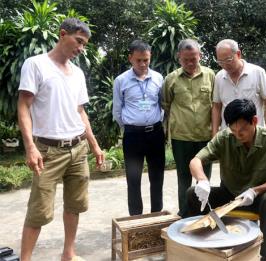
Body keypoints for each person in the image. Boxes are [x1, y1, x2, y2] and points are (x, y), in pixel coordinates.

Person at [17, 18, 104, 261]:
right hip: (48, 151)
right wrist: (30, 147)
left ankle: (69, 253)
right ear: (62, 34)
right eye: (78, 41)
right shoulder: (36, 65)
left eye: (84, 44)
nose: (81, 48)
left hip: (78, 148)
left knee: (75, 205)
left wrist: (95, 146)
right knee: (38, 211)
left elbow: (80, 112)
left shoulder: (77, 73)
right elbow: (24, 106)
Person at [187, 99, 266, 261]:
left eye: (242, 129)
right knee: (192, 193)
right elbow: (196, 160)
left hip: (257, 198)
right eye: (233, 130)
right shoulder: (224, 138)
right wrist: (202, 180)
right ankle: (200, 248)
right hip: (229, 196)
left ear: (254, 121)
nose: (238, 135)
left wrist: (256, 191)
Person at [162, 39, 215, 218]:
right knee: (183, 178)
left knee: (204, 178)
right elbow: (166, 105)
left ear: (200, 55)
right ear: (179, 58)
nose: (191, 63)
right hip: (181, 138)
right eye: (186, 60)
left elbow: (216, 105)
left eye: (194, 58)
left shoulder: (210, 76)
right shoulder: (171, 79)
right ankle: (185, 214)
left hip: (205, 137)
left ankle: (203, 213)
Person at [112, 40, 165, 216]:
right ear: (130, 59)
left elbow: (161, 105)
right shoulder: (121, 81)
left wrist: (155, 122)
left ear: (150, 58)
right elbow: (118, 111)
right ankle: (136, 219)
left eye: (146, 60)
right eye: (138, 60)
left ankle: (156, 215)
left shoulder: (158, 78)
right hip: (133, 136)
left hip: (155, 134)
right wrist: (130, 126)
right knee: (133, 179)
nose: (142, 64)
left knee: (157, 178)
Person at [212, 39, 266, 137]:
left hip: (254, 136)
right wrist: (214, 134)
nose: (225, 65)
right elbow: (216, 106)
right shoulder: (219, 77)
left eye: (228, 60)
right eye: (220, 62)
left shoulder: (257, 72)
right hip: (229, 137)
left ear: (238, 54)